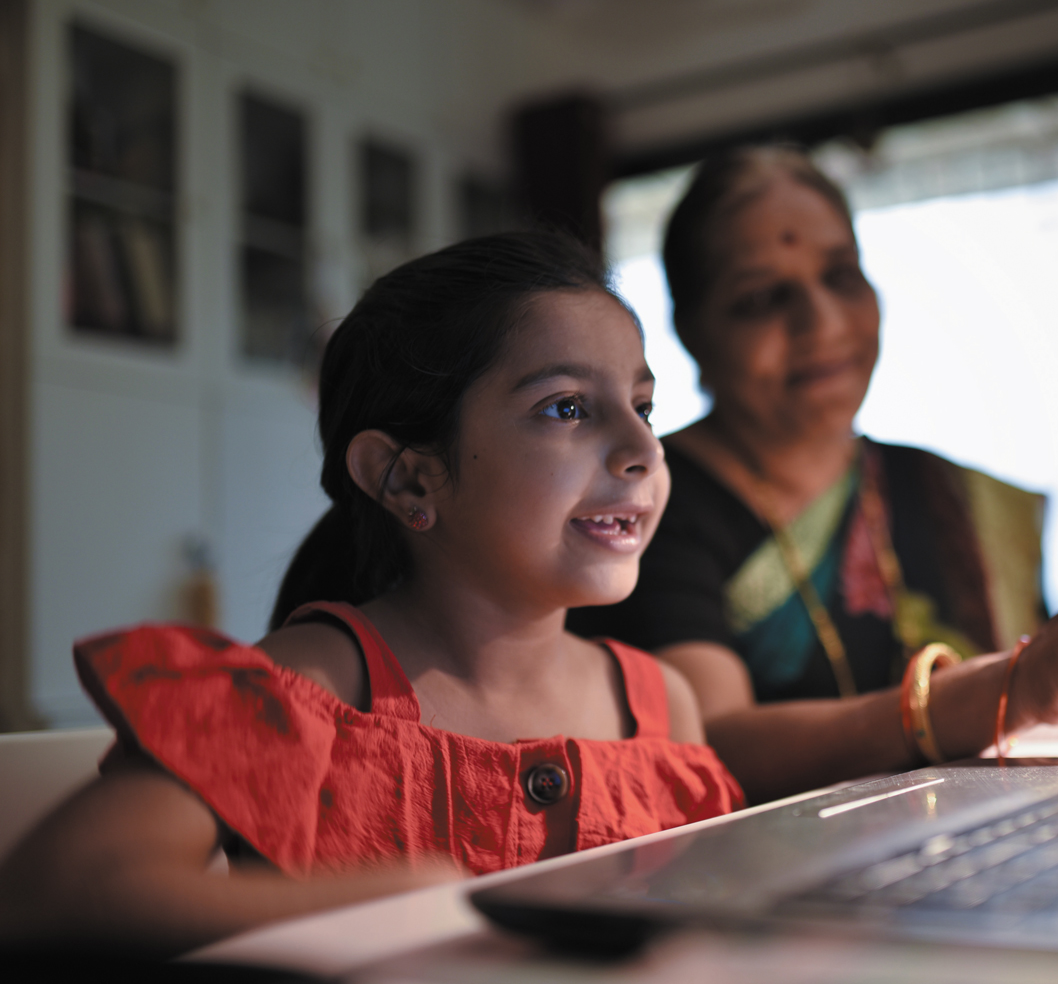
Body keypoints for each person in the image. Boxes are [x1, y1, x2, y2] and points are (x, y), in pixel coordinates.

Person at [0, 232, 743, 956]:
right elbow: (54, 891)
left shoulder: (661, 706)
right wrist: (408, 900)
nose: (643, 449)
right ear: (409, 478)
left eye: (642, 407)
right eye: (568, 408)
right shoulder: (304, 686)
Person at [569, 146, 1058, 804]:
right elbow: (709, 747)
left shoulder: (951, 496)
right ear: (692, 333)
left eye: (840, 276)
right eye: (761, 298)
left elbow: (1049, 731)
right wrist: (1021, 679)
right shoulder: (647, 497)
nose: (821, 322)